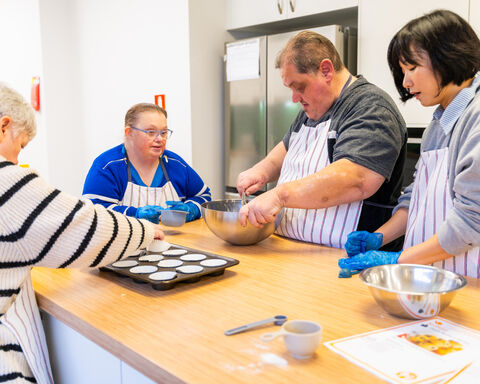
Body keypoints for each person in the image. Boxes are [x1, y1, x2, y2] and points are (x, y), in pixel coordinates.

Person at [0, 83, 164, 383]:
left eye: (163, 132)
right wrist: (145, 230)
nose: (16, 158)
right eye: (19, 146)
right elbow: (82, 229)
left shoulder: (173, 163)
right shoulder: (6, 181)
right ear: (3, 126)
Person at [339, 9, 480, 278]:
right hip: (435, 276)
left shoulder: (476, 118)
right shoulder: (438, 124)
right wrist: (378, 238)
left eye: (413, 68)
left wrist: (398, 259)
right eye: (403, 72)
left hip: (471, 282)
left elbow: (473, 221)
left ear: (448, 55)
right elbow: (417, 197)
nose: (406, 82)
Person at [237, 30, 407, 249]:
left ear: (326, 70)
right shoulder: (311, 109)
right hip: (292, 249)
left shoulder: (370, 107)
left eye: (299, 87)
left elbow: (355, 178)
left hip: (346, 258)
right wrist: (260, 171)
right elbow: (284, 152)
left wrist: (280, 195)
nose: (294, 98)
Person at [82, 103, 211, 224]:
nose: (159, 139)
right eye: (151, 132)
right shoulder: (107, 167)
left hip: (173, 244)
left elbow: (204, 196)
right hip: (127, 246)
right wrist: (135, 214)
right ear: (129, 132)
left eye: (164, 132)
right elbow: (94, 213)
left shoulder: (175, 164)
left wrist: (192, 209)